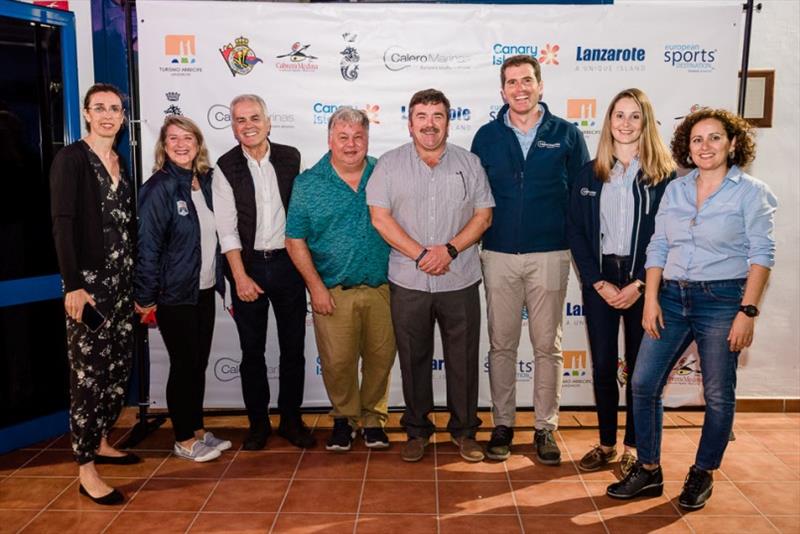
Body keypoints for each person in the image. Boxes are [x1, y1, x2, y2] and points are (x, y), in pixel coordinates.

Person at [607, 108, 777, 510]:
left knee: (718, 394)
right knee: (644, 383)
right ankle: (648, 469)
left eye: (715, 138)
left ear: (733, 144)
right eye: (697, 139)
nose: (705, 146)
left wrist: (747, 311)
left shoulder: (752, 192)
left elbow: (762, 254)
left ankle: (702, 472)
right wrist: (649, 299)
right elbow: (659, 247)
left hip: (723, 300)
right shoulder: (677, 190)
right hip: (670, 298)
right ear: (688, 146)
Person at [471, 54, 590, 463]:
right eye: (511, 83)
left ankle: (545, 428)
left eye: (527, 81)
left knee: (547, 347)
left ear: (540, 85)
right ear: (502, 91)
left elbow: (581, 197)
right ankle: (502, 424)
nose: (520, 89)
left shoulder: (568, 134)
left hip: (551, 254)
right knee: (501, 345)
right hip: (498, 254)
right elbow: (476, 200)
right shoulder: (486, 137)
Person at [367, 89, 494, 463]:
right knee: (413, 358)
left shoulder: (469, 163)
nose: (429, 124)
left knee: (464, 360)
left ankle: (465, 431)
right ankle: (417, 431)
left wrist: (449, 250)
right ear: (410, 123)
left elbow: (483, 215)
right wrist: (422, 254)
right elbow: (380, 218)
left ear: (448, 122)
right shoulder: (389, 165)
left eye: (437, 116)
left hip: (460, 278)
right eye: (421, 116)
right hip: (409, 281)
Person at [567, 89, 676, 477]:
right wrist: (597, 283)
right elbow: (575, 232)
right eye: (618, 115)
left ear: (646, 123)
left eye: (634, 116)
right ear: (608, 122)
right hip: (600, 283)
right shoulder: (589, 172)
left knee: (638, 370)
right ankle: (607, 443)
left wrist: (639, 286)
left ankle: (633, 446)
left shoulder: (663, 177)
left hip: (642, 283)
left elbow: (668, 235)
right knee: (600, 367)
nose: (625, 124)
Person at [286, 107, 396, 451]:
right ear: (329, 139)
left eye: (358, 137)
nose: (351, 145)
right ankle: (344, 419)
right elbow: (295, 239)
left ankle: (374, 420)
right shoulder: (308, 183)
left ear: (367, 139)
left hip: (384, 288)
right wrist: (315, 287)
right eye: (343, 137)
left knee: (380, 359)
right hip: (332, 291)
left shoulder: (385, 174)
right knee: (337, 363)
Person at [50, 83, 139, 505]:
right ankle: (86, 467)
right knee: (87, 376)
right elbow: (62, 224)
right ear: (86, 113)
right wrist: (73, 285)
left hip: (121, 285)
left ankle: (102, 438)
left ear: (123, 117)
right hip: (88, 287)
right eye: (99, 108)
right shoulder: (71, 160)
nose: (107, 115)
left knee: (116, 368)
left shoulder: (122, 161)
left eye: (115, 109)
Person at [212, 94, 314, 450]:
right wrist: (239, 277)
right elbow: (226, 230)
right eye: (240, 120)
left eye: (254, 117)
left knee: (293, 349)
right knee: (251, 351)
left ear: (268, 122)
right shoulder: (225, 166)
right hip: (248, 265)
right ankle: (258, 424)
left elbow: (301, 214)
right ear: (233, 126)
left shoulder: (291, 158)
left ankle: (291, 420)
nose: (248, 125)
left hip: (288, 264)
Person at [134, 115, 230, 462]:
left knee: (198, 363)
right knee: (183, 365)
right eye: (173, 138)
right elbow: (147, 248)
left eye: (187, 138)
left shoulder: (204, 182)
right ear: (163, 145)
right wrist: (145, 298)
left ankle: (198, 428)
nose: (180, 144)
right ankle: (183, 437)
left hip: (203, 290)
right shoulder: (158, 188)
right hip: (173, 295)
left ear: (198, 143)